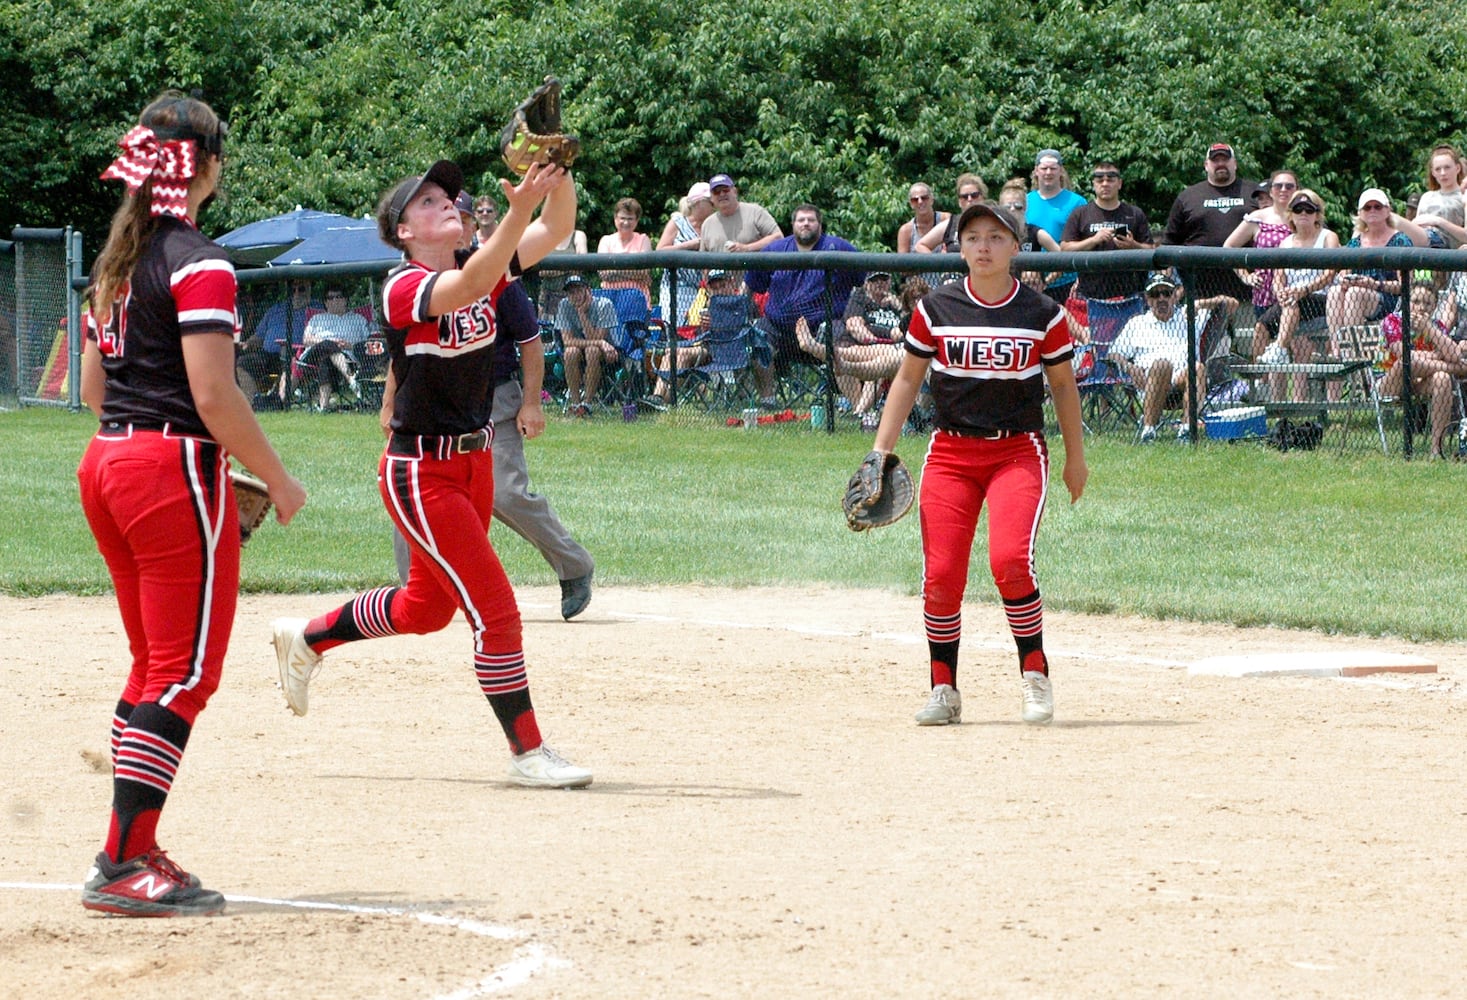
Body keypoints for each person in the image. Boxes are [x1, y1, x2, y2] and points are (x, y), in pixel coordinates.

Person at [270, 157, 593, 789]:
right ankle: (528, 752)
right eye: (426, 201)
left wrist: (555, 168)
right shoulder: (402, 286)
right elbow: (469, 285)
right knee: (496, 612)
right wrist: (517, 210)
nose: (444, 202)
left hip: (472, 465)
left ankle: (305, 638)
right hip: (421, 473)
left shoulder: (484, 266)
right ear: (403, 232)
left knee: (424, 609)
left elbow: (558, 226)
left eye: (447, 196)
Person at [76, 91, 307, 917]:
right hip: (169, 468)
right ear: (205, 166)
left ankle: (129, 850)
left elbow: (95, 389)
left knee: (151, 665)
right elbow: (212, 394)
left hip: (107, 462)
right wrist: (277, 479)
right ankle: (124, 859)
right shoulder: (199, 260)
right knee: (184, 674)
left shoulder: (114, 264)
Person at [864, 201, 1086, 728]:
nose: (983, 247)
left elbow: (1061, 387)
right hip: (951, 453)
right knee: (941, 576)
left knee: (1010, 562)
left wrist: (1076, 457)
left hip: (1016, 452)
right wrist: (881, 449)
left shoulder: (1042, 314)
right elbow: (906, 380)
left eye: (995, 237)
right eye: (972, 238)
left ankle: (1035, 675)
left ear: (1015, 246)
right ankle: (944, 688)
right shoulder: (936, 308)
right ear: (959, 248)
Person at [388, 196, 594, 616]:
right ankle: (415, 593)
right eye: (446, 212)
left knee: (506, 493)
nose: (458, 222)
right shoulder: (405, 283)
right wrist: (389, 400)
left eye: (462, 216)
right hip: (428, 412)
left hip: (494, 399)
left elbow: (529, 341)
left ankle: (573, 565)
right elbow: (408, 351)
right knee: (412, 493)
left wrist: (532, 403)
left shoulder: (494, 272)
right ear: (405, 234)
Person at [742, 203, 861, 405]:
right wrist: (741, 310)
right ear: (793, 224)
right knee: (757, 338)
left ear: (820, 225)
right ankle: (767, 400)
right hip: (779, 329)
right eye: (801, 220)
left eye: (811, 220)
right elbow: (750, 285)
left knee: (843, 341)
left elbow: (863, 281)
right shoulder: (775, 250)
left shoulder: (838, 247)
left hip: (823, 329)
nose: (806, 224)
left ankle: (854, 404)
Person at [1110, 271, 1233, 441]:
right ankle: (1148, 432)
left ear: (1175, 296)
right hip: (1150, 384)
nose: (1161, 298)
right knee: (1162, 365)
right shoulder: (1137, 323)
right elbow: (1114, 353)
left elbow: (1231, 304)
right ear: (1147, 298)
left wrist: (1198, 303)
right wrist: (1129, 368)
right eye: (1155, 294)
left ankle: (1186, 431)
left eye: (1166, 293)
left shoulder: (1189, 316)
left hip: (1182, 383)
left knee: (1197, 368)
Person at [1325, 188, 1432, 383]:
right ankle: (1337, 349)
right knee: (1334, 292)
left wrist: (1374, 284)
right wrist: (1344, 280)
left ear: (1387, 210)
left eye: (1377, 206)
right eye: (1367, 207)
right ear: (1360, 213)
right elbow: (1343, 272)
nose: (1372, 210)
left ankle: (1353, 358)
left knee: (1356, 294)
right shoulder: (1356, 243)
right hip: (1359, 301)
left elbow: (1405, 286)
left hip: (1390, 301)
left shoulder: (1400, 240)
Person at [1253, 190, 1340, 400]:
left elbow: (1330, 273)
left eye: (1309, 210)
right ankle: (1260, 380)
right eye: (1298, 209)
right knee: (1260, 327)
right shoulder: (1286, 242)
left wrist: (1304, 289)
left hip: (1322, 299)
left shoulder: (1328, 237)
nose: (1304, 214)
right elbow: (1278, 278)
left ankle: (1280, 347)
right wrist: (1279, 292)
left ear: (1317, 214)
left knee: (1292, 304)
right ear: (1290, 214)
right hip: (1293, 300)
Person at [795, 270, 906, 415]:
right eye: (875, 280)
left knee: (878, 359)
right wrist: (871, 340)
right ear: (866, 284)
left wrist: (899, 306)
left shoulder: (896, 303)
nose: (880, 283)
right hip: (865, 344)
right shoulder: (860, 298)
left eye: (884, 279)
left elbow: (909, 328)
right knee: (851, 353)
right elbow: (854, 326)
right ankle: (860, 410)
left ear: (890, 281)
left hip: (892, 348)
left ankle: (815, 348)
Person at [1059, 160, 1153, 332]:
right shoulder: (1080, 214)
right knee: (1092, 351)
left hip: (1130, 297)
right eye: (1099, 178)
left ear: (1119, 183)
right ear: (1093, 184)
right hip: (1090, 298)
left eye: (1111, 178)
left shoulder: (1134, 213)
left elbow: (1151, 252)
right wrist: (1094, 240)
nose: (1105, 183)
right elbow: (1065, 248)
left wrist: (1133, 245)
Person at [1161, 142, 1258, 304]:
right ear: (1206, 165)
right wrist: (1166, 285)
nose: (1220, 164)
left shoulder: (1255, 192)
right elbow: (1169, 243)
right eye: (1215, 160)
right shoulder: (1188, 196)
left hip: (1251, 293)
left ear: (1235, 164)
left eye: (1225, 159)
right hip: (1200, 294)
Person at [1378, 285, 1466, 458]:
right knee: (1406, 362)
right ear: (1406, 302)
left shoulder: (1436, 326)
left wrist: (1429, 329)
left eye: (1427, 303)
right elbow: (1405, 356)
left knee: (1442, 378)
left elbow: (1454, 354)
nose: (1421, 307)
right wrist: (1438, 356)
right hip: (1389, 383)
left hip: (1420, 382)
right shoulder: (1392, 321)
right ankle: (1457, 370)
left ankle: (1436, 449)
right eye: (1416, 301)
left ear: (1434, 307)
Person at [1224, 170, 1299, 328]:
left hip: (1297, 292)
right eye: (1278, 186)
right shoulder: (1256, 218)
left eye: (1289, 186)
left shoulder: (1306, 215)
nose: (1283, 189)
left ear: (1296, 190)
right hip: (1265, 293)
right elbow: (1229, 246)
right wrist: (1245, 276)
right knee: (1265, 342)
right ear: (1271, 191)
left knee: (1299, 343)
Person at [236, 279, 319, 403]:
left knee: (288, 360)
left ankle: (280, 401)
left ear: (310, 289)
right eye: (292, 289)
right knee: (243, 363)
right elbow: (259, 336)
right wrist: (247, 343)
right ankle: (253, 403)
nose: (296, 293)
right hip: (269, 355)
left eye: (301, 289)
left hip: (298, 355)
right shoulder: (275, 309)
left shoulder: (317, 309)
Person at [556, 273, 620, 416]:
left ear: (588, 290)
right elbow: (567, 341)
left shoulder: (604, 305)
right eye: (571, 292)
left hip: (608, 354)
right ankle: (575, 402)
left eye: (579, 290)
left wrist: (582, 314)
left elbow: (597, 338)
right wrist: (599, 342)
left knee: (592, 351)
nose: (576, 295)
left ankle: (587, 403)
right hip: (581, 351)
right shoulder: (564, 305)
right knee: (570, 352)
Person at [1026, 150, 1087, 300]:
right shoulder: (1025, 201)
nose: (1048, 173)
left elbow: (1084, 243)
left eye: (1053, 168)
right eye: (1044, 168)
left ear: (1061, 171)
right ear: (1036, 171)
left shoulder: (1077, 202)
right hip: (1030, 283)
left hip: (1067, 282)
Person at [298, 285, 368, 410]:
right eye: (330, 298)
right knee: (328, 344)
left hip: (347, 358)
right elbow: (306, 340)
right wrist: (330, 342)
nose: (335, 300)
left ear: (345, 300)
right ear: (325, 302)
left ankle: (323, 406)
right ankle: (351, 379)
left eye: (338, 297)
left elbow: (366, 345)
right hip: (314, 355)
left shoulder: (359, 320)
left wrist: (350, 346)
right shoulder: (317, 318)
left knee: (326, 361)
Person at [656, 181, 715, 325]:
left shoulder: (716, 224)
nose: (714, 203)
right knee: (677, 331)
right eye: (709, 201)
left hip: (708, 290)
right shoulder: (678, 222)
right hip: (677, 288)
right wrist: (691, 245)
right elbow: (660, 251)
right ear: (698, 203)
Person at [699, 172, 782, 263]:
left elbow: (778, 237)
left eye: (725, 190)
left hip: (756, 275)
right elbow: (704, 262)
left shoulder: (755, 212)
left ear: (734, 192)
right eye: (716, 192)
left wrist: (746, 248)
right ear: (711, 198)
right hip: (722, 277)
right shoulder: (708, 224)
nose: (722, 194)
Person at [596, 197, 652, 305]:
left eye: (630, 218)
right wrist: (634, 269)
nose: (626, 222)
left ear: (636, 220)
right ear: (615, 218)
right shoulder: (606, 241)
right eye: (622, 218)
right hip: (609, 300)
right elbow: (603, 274)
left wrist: (614, 269)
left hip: (638, 300)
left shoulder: (643, 239)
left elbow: (645, 272)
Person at [1410, 145, 1467, 248]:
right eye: (1438, 169)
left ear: (1457, 168)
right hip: (1423, 250)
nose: (1443, 173)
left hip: (1449, 254)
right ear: (1433, 173)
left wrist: (1437, 221)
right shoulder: (1427, 197)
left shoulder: (1463, 197)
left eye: (1447, 167)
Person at [895, 181, 949, 254]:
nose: (920, 202)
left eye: (924, 198)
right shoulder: (906, 231)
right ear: (911, 204)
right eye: (915, 200)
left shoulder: (946, 220)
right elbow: (901, 262)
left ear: (932, 200)